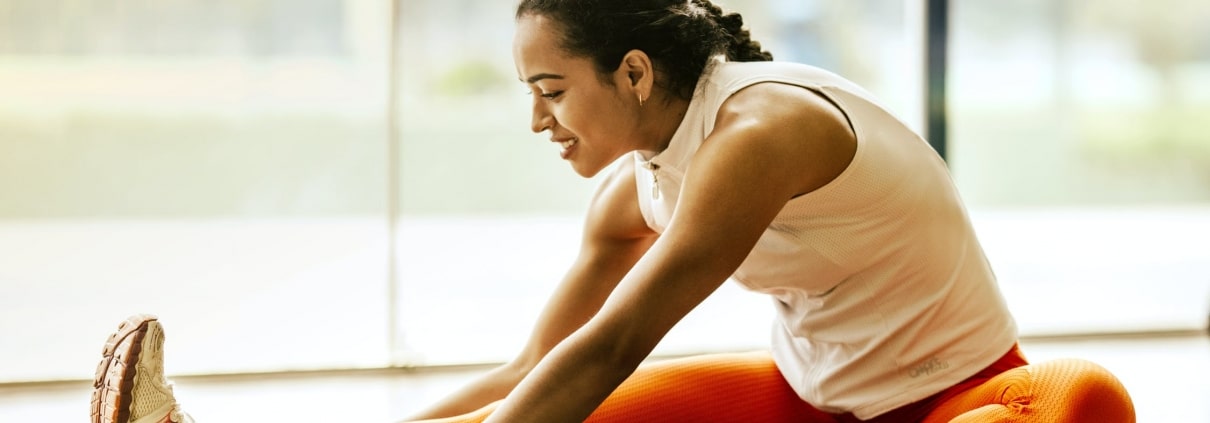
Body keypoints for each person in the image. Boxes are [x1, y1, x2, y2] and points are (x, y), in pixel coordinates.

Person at [90, 1, 1137, 422]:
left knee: (1087, 404)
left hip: (961, 402)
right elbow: (530, 373)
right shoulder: (629, 191)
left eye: (551, 90)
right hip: (807, 402)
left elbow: (618, 339)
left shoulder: (757, 139)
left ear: (632, 71)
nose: (539, 121)